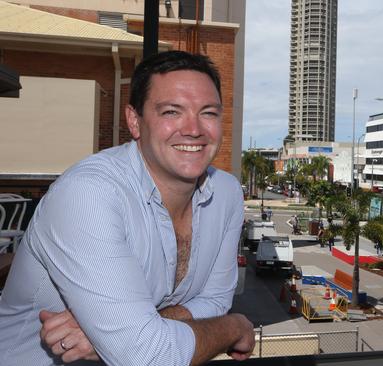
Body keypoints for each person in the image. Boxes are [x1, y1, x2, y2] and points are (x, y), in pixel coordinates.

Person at [0, 51, 255, 365]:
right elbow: (146, 357)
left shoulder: (227, 193)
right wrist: (236, 327)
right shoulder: (88, 194)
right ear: (135, 121)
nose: (194, 129)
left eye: (208, 113)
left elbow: (214, 299)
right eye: (172, 112)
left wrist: (124, 334)